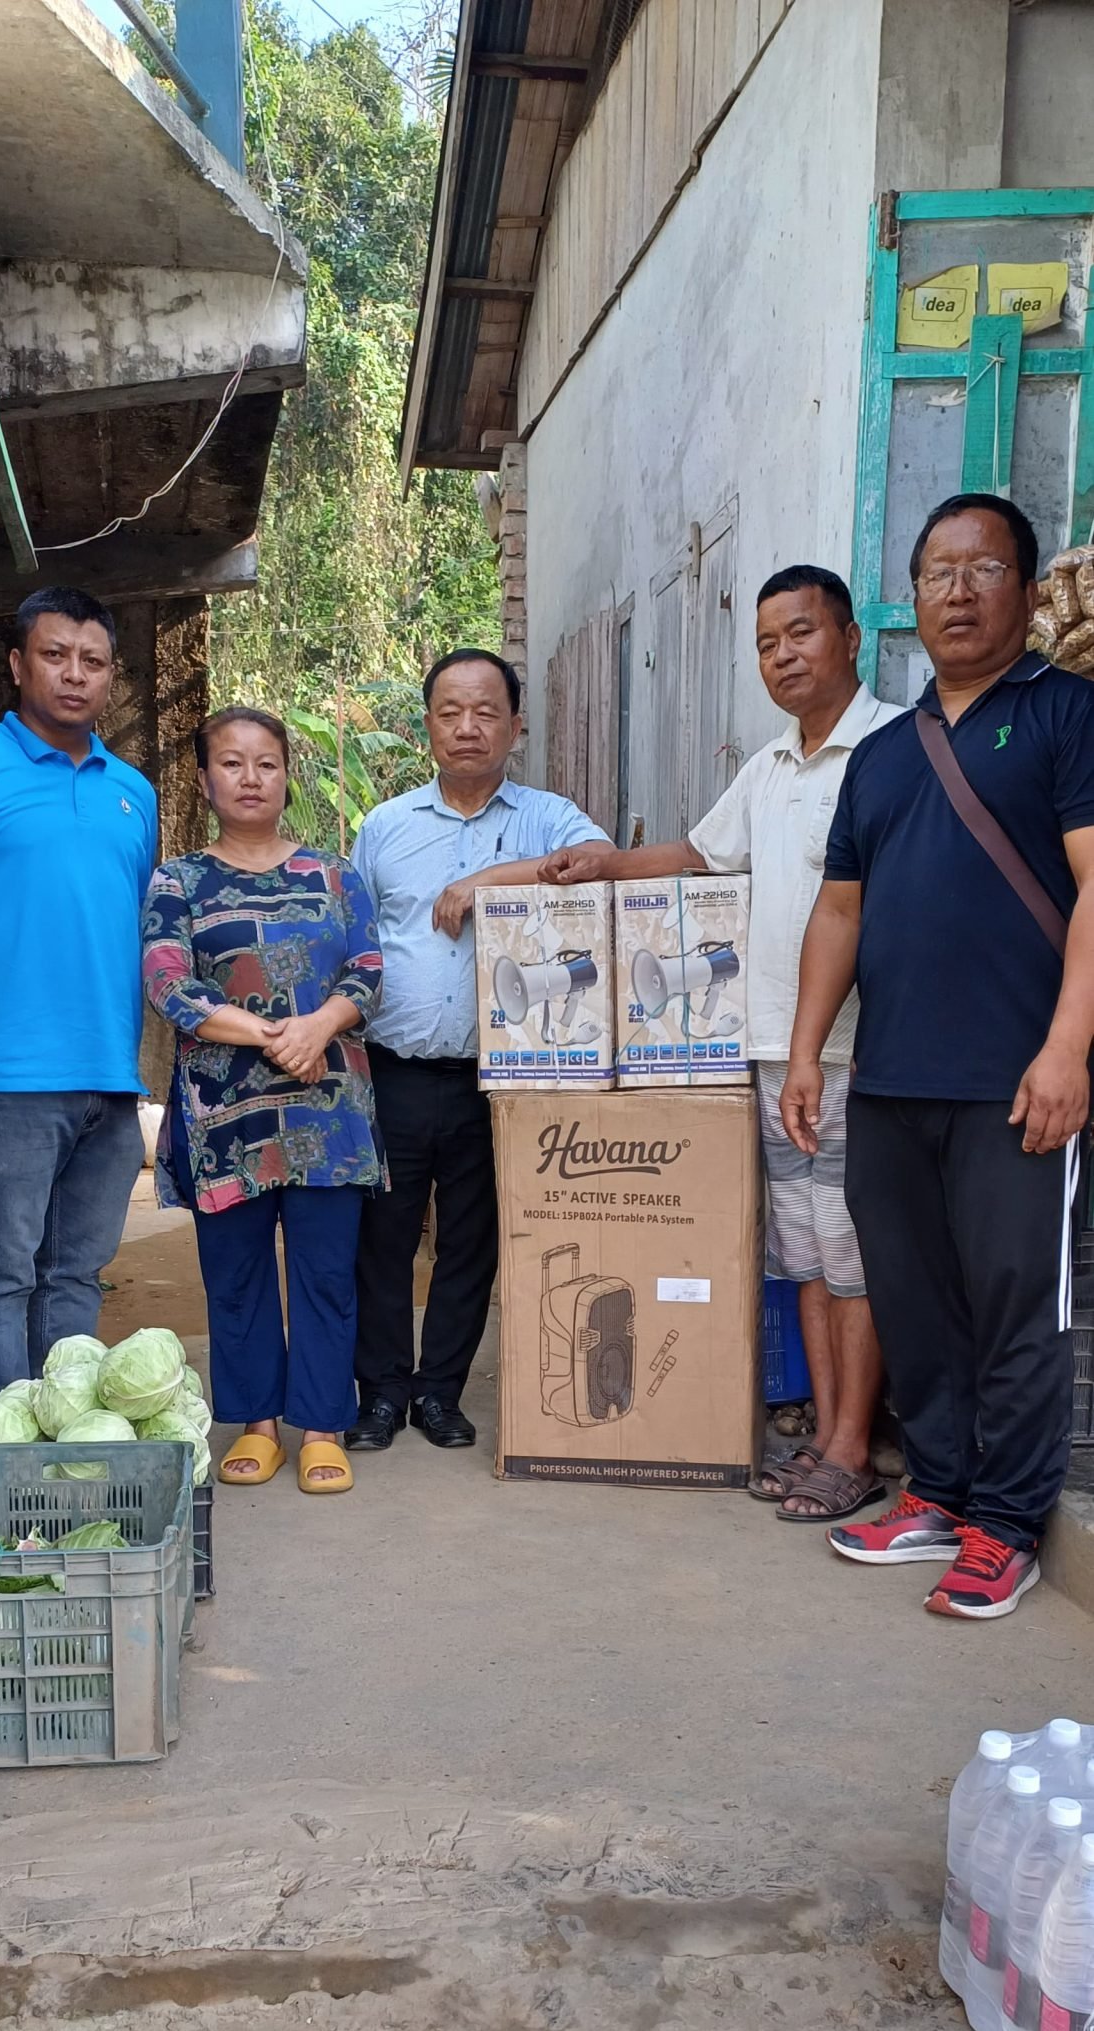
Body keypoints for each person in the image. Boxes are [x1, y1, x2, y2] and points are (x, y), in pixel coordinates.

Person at [782, 493, 1094, 1620]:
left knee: (1016, 1309)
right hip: (891, 1080)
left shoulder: (1066, 716)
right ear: (910, 597)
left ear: (1027, 590)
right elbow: (839, 911)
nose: (958, 592)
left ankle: (1005, 1526)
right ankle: (942, 1493)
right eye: (936, 573)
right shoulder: (882, 756)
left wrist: (1069, 1048)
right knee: (915, 1302)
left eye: (985, 569)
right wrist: (808, 1053)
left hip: (1018, 1083)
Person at [542, 566, 899, 1522]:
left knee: (855, 1252)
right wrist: (612, 863)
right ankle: (828, 1438)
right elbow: (704, 854)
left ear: (851, 639)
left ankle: (854, 1444)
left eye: (802, 634)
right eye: (767, 643)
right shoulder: (771, 764)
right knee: (804, 1250)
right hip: (775, 1050)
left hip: (857, 1051)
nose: (783, 657)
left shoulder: (892, 749)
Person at [347, 647, 611, 1452]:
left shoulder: (547, 818)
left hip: (498, 1080)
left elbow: (600, 865)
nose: (468, 727)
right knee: (383, 1241)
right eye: (451, 712)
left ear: (515, 726)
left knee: (472, 1241)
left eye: (486, 712)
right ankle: (382, 1393)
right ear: (428, 725)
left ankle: (439, 1394)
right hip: (393, 1070)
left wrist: (490, 880)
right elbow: (355, 941)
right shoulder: (386, 827)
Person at [0, 586, 156, 1393]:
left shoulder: (135, 792)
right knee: (2, 1270)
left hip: (110, 1075)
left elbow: (126, 918)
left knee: (77, 1272)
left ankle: (61, 1433)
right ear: (18, 664)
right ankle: (0, 1443)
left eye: (93, 661)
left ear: (111, 675)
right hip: (9, 1072)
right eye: (55, 655)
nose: (74, 674)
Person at [143, 707, 383, 1494]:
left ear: (286, 776)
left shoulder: (336, 875)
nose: (251, 778)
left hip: (327, 1110)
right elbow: (168, 983)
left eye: (267, 763)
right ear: (204, 779)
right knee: (236, 1274)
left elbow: (368, 969)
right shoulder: (178, 881)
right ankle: (257, 1424)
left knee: (326, 1273)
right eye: (232, 762)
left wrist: (319, 1026)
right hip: (225, 1119)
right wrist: (275, 1034)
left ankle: (322, 1426)